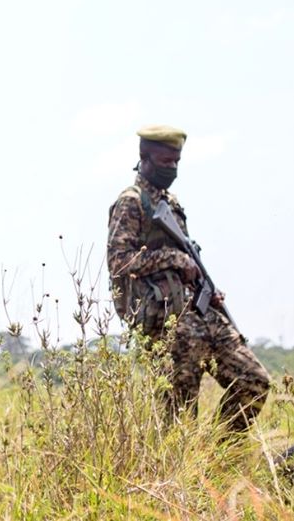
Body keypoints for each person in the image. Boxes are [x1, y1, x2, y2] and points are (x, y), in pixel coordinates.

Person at [107, 125, 269, 433]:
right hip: (164, 319)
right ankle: (186, 476)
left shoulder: (171, 204)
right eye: (166, 161)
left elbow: (185, 261)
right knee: (179, 414)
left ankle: (217, 456)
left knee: (253, 381)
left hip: (198, 311)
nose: (172, 168)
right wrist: (176, 259)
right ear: (145, 157)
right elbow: (119, 261)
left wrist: (205, 287)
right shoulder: (131, 201)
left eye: (176, 162)